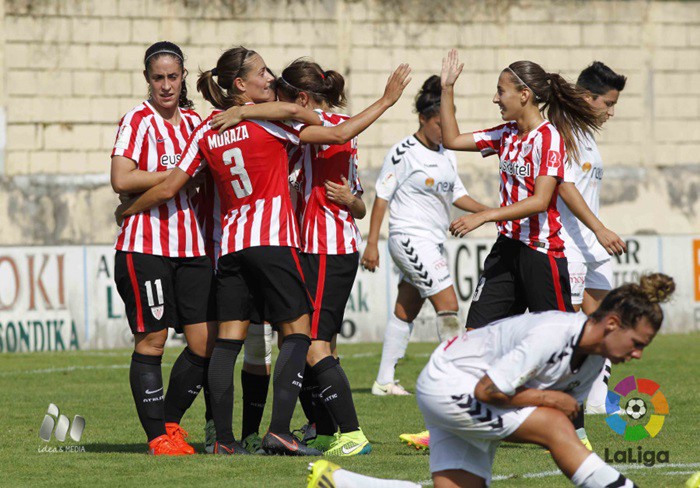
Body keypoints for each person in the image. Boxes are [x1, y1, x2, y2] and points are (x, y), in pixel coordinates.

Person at [120, 46, 411, 455]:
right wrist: (386, 100)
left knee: (228, 343)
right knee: (298, 333)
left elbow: (169, 187)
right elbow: (322, 124)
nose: (271, 78)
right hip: (273, 242)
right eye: (263, 72)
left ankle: (222, 440)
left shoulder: (206, 130)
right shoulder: (273, 126)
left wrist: (127, 208)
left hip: (230, 248)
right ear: (241, 84)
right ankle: (280, 430)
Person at [307, 273, 675, 488]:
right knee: (550, 421)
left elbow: (567, 428)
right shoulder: (553, 332)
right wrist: (551, 406)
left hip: (466, 389)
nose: (638, 354)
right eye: (638, 343)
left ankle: (342, 481)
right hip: (450, 382)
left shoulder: (595, 361)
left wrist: (574, 442)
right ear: (612, 324)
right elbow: (490, 390)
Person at [209, 58, 386, 456]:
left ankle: (351, 433)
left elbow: (354, 193)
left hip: (327, 246)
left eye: (279, 90)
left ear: (300, 98)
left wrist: (387, 100)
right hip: (301, 245)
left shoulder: (315, 124)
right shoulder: (287, 129)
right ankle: (322, 431)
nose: (270, 90)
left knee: (312, 343)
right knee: (303, 342)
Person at [441, 48, 600, 326]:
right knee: (476, 334)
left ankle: (597, 369)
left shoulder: (549, 137)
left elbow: (540, 201)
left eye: (501, 91)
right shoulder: (506, 134)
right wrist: (447, 88)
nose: (495, 99)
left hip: (540, 252)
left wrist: (485, 215)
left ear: (524, 94)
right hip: (507, 248)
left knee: (555, 341)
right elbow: (452, 139)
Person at [110, 41, 215, 456]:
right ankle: (157, 438)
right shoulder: (137, 120)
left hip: (191, 247)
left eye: (173, 77)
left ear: (184, 76)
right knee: (153, 339)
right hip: (145, 245)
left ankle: (169, 422)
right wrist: (174, 176)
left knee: (204, 342)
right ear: (147, 80)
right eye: (158, 78)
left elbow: (205, 175)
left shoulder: (193, 121)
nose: (166, 85)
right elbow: (121, 177)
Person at [361, 75, 489, 402]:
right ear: (422, 119)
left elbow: (458, 193)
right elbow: (383, 196)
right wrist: (372, 243)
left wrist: (493, 212)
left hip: (432, 242)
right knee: (448, 305)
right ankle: (456, 380)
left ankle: (384, 381)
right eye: (437, 123)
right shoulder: (403, 151)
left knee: (407, 309)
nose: (443, 130)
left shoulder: (449, 152)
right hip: (408, 237)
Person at [555, 62, 628, 417]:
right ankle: (557, 402)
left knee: (608, 320)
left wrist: (597, 234)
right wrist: (599, 228)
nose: (611, 113)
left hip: (591, 246)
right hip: (568, 246)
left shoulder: (584, 134)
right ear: (587, 97)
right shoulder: (563, 131)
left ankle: (597, 399)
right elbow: (564, 187)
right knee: (568, 330)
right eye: (608, 104)